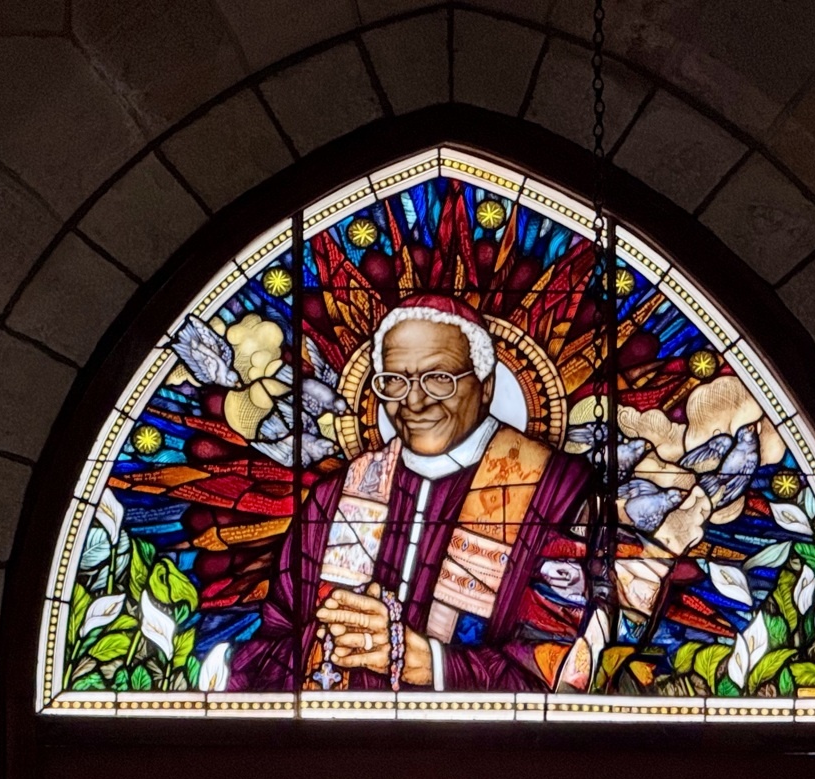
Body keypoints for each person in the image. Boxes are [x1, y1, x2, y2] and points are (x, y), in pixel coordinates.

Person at [229, 295, 597, 693]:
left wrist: (433, 665)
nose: (414, 401)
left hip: (488, 753)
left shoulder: (556, 494)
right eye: (395, 381)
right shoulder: (334, 497)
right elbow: (273, 641)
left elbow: (563, 670)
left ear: (486, 386)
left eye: (439, 378)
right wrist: (333, 640)